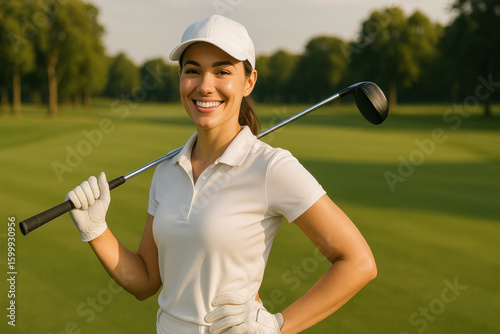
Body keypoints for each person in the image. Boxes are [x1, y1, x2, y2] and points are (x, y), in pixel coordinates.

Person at [66, 14, 377, 334]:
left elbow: (358, 262)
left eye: (222, 71)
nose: (204, 86)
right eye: (193, 71)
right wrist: (96, 230)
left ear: (249, 81)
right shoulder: (166, 173)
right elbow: (146, 281)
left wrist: (277, 326)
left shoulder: (271, 167)